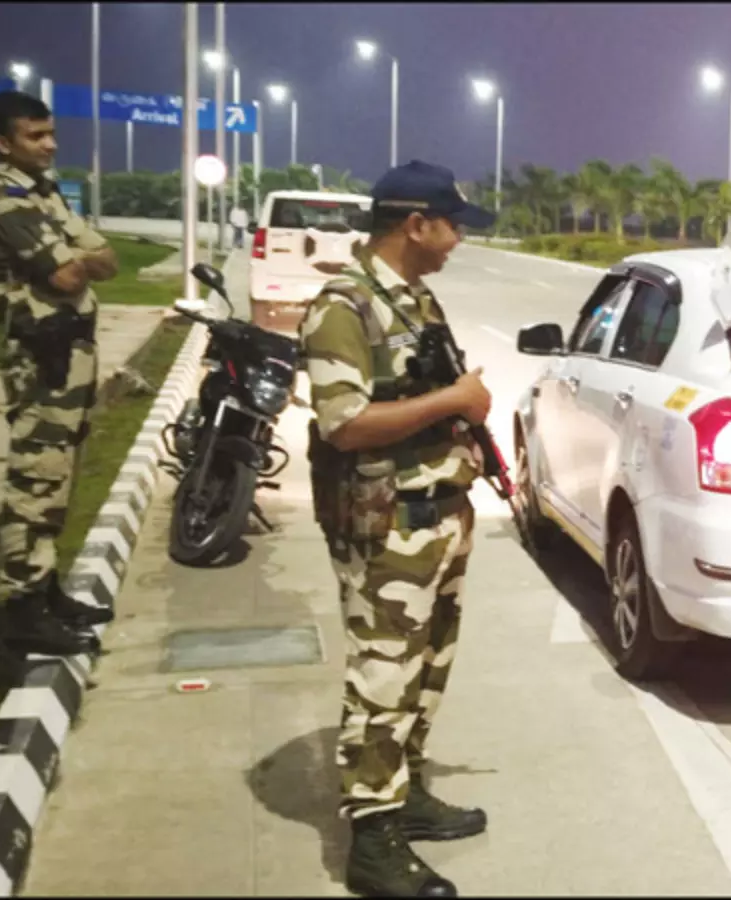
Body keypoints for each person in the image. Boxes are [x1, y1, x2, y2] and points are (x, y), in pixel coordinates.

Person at [298, 160, 495, 898]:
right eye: (452, 226)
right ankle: (373, 838)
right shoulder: (344, 307)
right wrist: (455, 399)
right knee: (383, 678)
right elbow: (344, 423)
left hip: (437, 515)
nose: (458, 240)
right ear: (416, 224)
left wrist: (461, 430)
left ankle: (404, 791)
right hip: (387, 529)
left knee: (426, 668)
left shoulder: (414, 300)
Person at [0, 91, 117, 657]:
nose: (50, 144)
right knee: (34, 479)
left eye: (50, 133)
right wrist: (78, 257)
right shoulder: (1, 196)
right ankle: (24, 610)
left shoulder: (42, 192)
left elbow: (106, 259)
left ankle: (47, 592)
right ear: (3, 143)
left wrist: (80, 257)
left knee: (57, 475)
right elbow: (68, 276)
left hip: (68, 352)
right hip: (39, 354)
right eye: (35, 136)